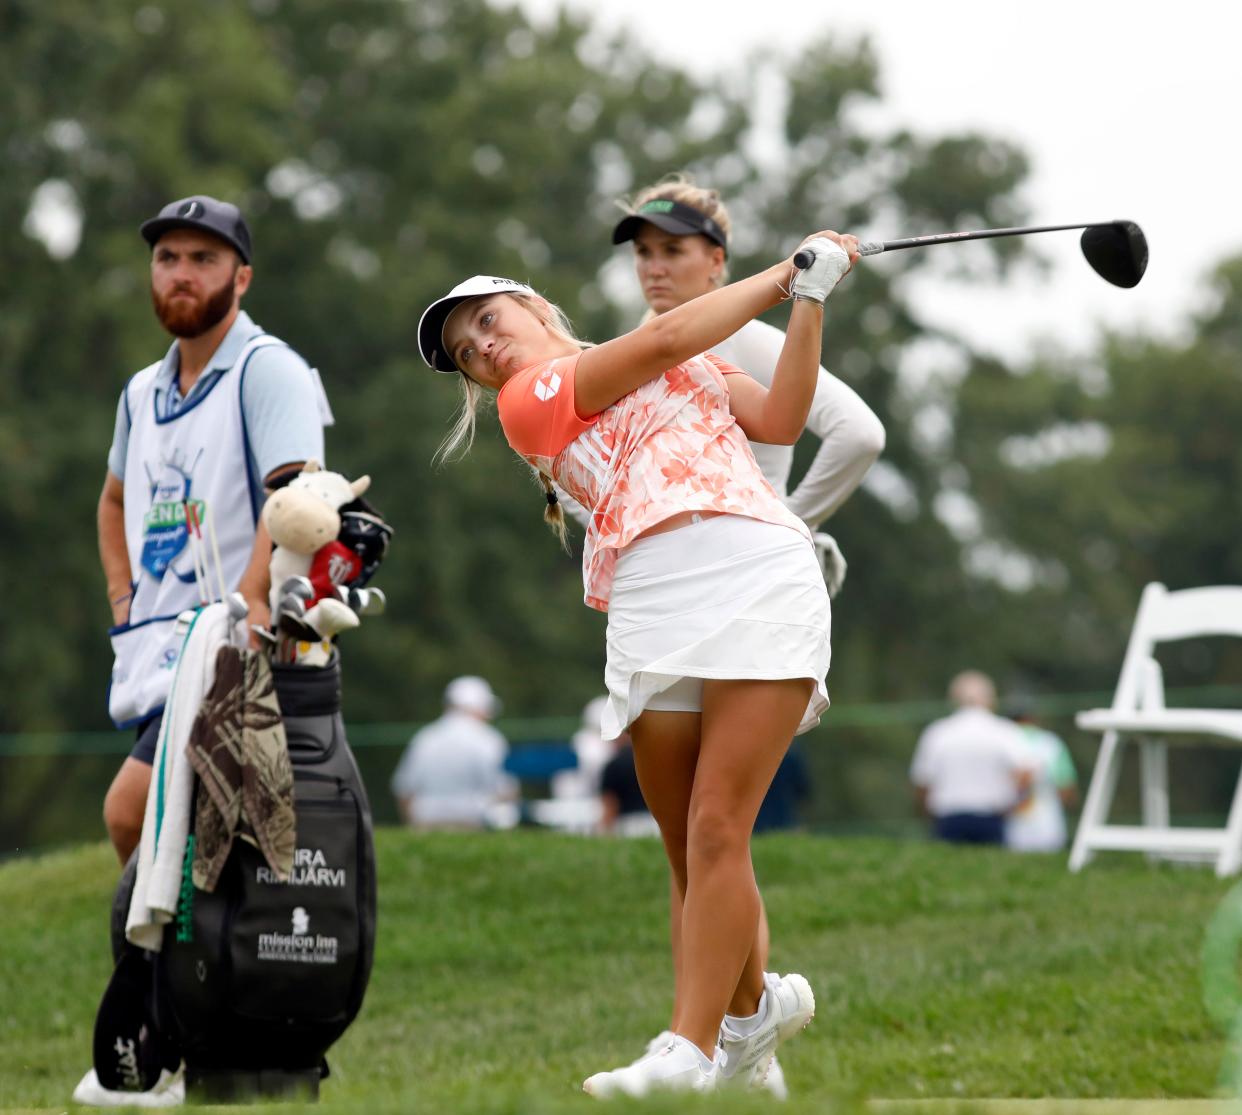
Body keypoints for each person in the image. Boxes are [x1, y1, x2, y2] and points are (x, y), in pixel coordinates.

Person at [417, 226, 859, 1095]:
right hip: (653, 592)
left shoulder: (680, 361)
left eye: (490, 321)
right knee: (688, 850)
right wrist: (782, 276)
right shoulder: (529, 401)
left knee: (716, 825)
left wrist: (811, 301)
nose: (485, 347)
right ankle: (752, 1019)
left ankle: (689, 1054)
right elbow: (662, 336)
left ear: (537, 305)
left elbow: (779, 418)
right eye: (469, 353)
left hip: (756, 565)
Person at [602, 175, 882, 1092]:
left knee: (711, 833)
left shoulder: (741, 332)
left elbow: (857, 433)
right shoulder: (642, 349)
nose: (655, 267)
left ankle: (715, 1039)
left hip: (744, 600)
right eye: (644, 251)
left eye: (674, 251)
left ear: (717, 260)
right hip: (678, 601)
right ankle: (737, 1037)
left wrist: (790, 520)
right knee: (700, 840)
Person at [98, 195, 331, 866]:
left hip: (240, 655)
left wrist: (254, 598)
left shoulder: (269, 367)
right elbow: (112, 502)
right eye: (167, 258)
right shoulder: (142, 391)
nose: (182, 273)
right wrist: (124, 600)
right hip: (159, 654)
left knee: (131, 811)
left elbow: (298, 496)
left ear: (242, 276)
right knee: (196, 853)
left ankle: (166, 972)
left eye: (204, 258)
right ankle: (182, 972)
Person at [910, 670, 1035, 845]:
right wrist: (1012, 803)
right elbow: (1027, 773)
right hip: (992, 816)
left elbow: (923, 781)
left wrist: (927, 814)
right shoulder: (1005, 731)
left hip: (948, 818)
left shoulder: (937, 732)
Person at [390, 676, 514, 831]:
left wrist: (413, 826)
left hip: (427, 822)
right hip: (475, 822)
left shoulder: (425, 737)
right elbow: (505, 790)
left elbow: (404, 790)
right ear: (479, 707)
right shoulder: (489, 739)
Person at [1004, 697, 1079, 853]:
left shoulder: (1000, 739)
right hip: (1048, 825)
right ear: (1033, 717)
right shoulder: (1052, 743)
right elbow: (1066, 788)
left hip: (1008, 826)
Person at [598, 732, 659, 837]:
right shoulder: (653, 761)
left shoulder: (613, 766)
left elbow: (610, 803)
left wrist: (602, 831)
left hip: (625, 825)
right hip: (654, 823)